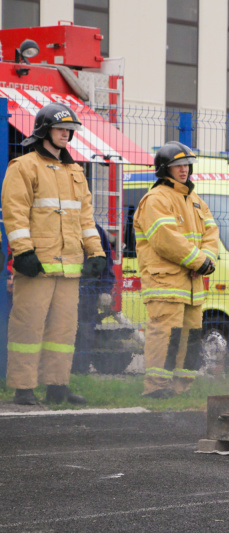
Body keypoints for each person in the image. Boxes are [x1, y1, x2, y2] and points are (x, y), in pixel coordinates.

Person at [2, 102, 107, 405]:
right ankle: (23, 389)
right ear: (44, 130)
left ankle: (57, 386)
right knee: (28, 327)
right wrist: (22, 252)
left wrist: (96, 253)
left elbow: (86, 219)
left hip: (70, 268)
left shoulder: (75, 171)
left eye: (70, 130)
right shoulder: (24, 167)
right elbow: (15, 213)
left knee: (62, 332)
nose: (66, 133)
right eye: (61, 128)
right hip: (36, 267)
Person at [132, 142, 219, 398]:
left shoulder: (194, 200)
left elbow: (211, 233)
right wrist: (198, 261)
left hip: (192, 285)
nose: (184, 170)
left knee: (190, 339)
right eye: (177, 166)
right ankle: (157, 389)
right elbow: (165, 238)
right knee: (165, 336)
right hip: (165, 283)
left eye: (187, 165)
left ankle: (182, 389)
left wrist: (207, 260)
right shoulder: (155, 199)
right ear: (164, 169)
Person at [73, 223, 117, 374]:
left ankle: (80, 371)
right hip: (65, 288)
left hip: (87, 292)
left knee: (84, 332)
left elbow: (105, 259)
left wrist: (105, 289)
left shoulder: (94, 229)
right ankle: (59, 373)